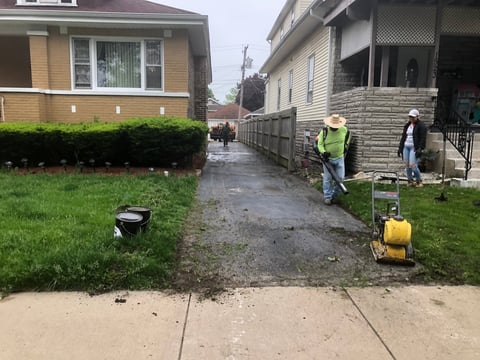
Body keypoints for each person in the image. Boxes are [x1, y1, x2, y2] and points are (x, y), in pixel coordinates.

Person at [315, 114, 351, 205]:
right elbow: (319, 144)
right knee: (328, 178)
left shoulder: (344, 130)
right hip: (328, 160)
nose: (334, 128)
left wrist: (345, 146)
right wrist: (323, 152)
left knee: (340, 178)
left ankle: (334, 196)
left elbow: (347, 138)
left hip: (340, 158)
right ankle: (327, 197)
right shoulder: (324, 132)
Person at [398, 109, 427, 187]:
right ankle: (410, 180)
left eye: (413, 117)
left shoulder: (421, 126)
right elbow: (403, 137)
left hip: (414, 147)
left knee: (413, 165)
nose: (411, 118)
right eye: (410, 117)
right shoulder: (407, 125)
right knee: (407, 165)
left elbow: (423, 138)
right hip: (406, 146)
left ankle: (419, 181)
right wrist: (400, 148)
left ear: (417, 117)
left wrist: (420, 148)